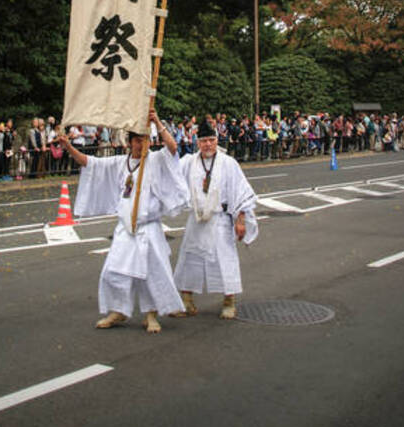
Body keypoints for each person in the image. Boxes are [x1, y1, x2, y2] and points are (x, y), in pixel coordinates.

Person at [60, 109, 189, 334]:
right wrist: (68, 147)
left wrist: (157, 122)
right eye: (138, 141)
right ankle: (118, 310)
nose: (142, 145)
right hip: (125, 229)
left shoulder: (156, 160)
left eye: (145, 140)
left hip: (148, 229)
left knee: (151, 274)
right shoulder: (120, 163)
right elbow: (89, 163)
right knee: (114, 270)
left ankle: (151, 315)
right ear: (129, 142)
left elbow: (173, 148)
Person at [173, 118, 259, 320]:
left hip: (220, 218)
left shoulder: (228, 163)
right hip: (197, 219)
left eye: (211, 140)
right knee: (189, 258)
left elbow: (241, 192)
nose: (208, 145)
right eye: (204, 141)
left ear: (216, 140)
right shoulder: (189, 162)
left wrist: (240, 220)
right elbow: (171, 176)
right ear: (197, 142)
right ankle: (186, 300)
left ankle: (229, 301)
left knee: (224, 260)